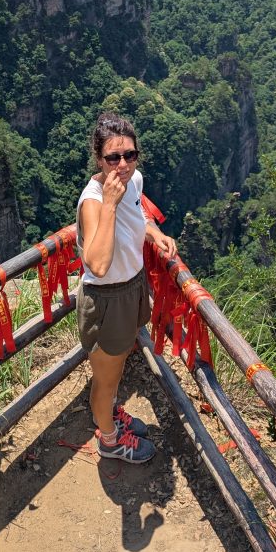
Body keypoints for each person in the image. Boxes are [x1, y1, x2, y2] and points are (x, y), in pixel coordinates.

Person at [76, 111, 177, 463]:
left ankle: (111, 414)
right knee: (106, 379)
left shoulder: (134, 183)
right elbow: (98, 265)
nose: (122, 164)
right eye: (113, 158)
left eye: (129, 155)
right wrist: (109, 205)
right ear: (98, 159)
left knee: (115, 370)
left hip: (132, 287)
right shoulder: (93, 200)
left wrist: (156, 233)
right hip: (106, 300)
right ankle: (109, 440)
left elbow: (140, 217)